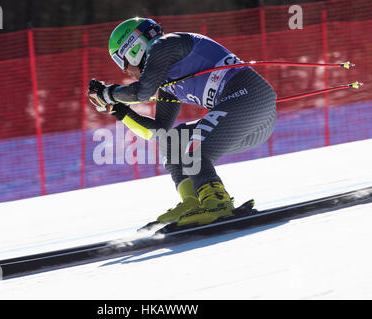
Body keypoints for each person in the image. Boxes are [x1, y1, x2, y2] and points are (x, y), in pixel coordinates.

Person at [88, 17, 277, 227]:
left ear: (134, 48)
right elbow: (159, 131)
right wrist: (118, 110)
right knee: (173, 140)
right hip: (245, 121)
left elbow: (142, 92)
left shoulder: (166, 44)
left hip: (252, 98)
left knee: (195, 150)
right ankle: (193, 200)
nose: (124, 70)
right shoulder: (167, 82)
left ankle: (217, 202)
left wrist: (109, 93)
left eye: (121, 60)